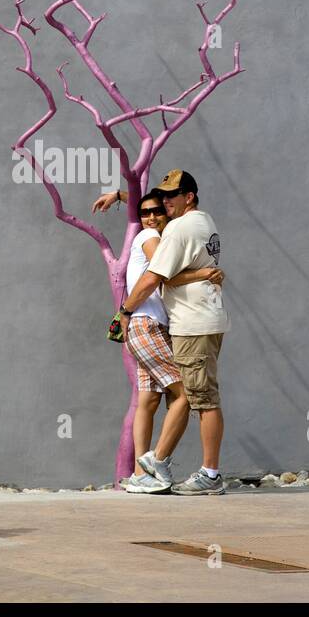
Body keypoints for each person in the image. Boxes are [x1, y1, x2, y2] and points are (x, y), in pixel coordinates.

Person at [109, 170, 229, 494]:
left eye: (168, 198)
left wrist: (124, 311)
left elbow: (155, 277)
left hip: (187, 323)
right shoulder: (204, 223)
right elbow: (159, 277)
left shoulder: (176, 229)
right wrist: (204, 273)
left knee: (193, 396)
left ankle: (176, 470)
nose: (161, 206)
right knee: (189, 395)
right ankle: (155, 467)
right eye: (154, 204)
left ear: (188, 196)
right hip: (173, 323)